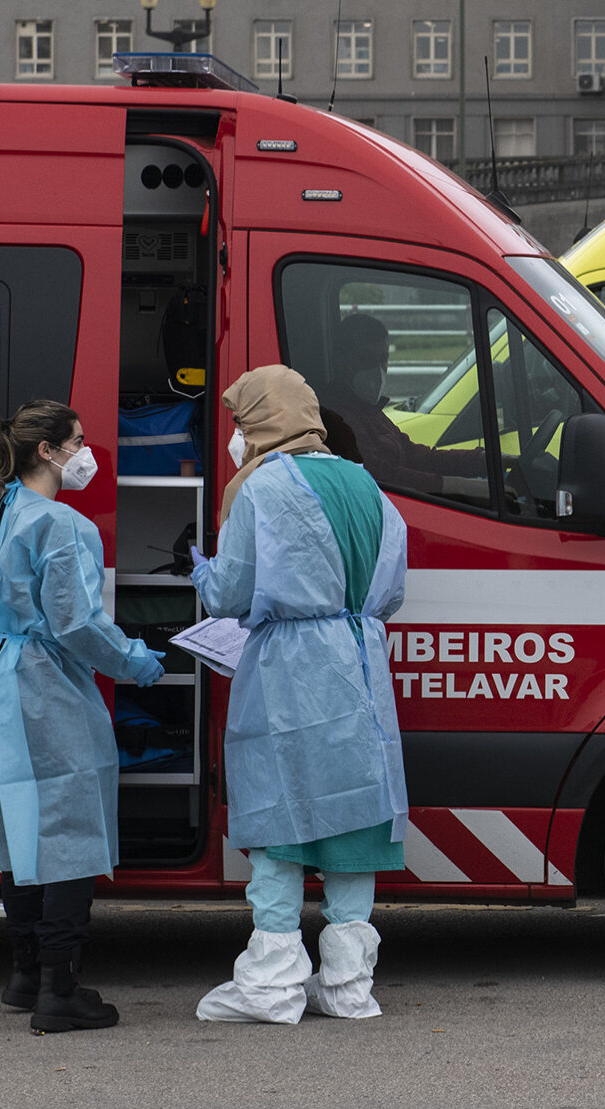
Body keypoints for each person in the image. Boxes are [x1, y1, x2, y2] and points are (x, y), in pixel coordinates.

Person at [194, 366, 410, 1024]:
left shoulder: (263, 486)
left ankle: (273, 984)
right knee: (354, 820)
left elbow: (231, 595)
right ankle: (348, 986)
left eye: (239, 423)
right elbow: (392, 590)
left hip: (289, 670)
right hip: (360, 662)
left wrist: (203, 569)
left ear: (262, 421)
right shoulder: (368, 484)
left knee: (280, 821)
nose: (235, 437)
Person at [0, 399, 166, 1034]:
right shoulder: (61, 524)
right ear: (48, 451)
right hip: (42, 681)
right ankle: (60, 989)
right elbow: (76, 621)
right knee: (68, 825)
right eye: (78, 440)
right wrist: (134, 661)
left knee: (16, 822)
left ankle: (24, 974)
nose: (86, 452)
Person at [315, 314, 486, 496]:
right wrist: (462, 487)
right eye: (366, 359)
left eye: (383, 359)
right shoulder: (335, 416)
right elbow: (381, 476)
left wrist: (482, 460)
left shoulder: (369, 410)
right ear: (342, 361)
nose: (378, 370)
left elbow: (417, 457)